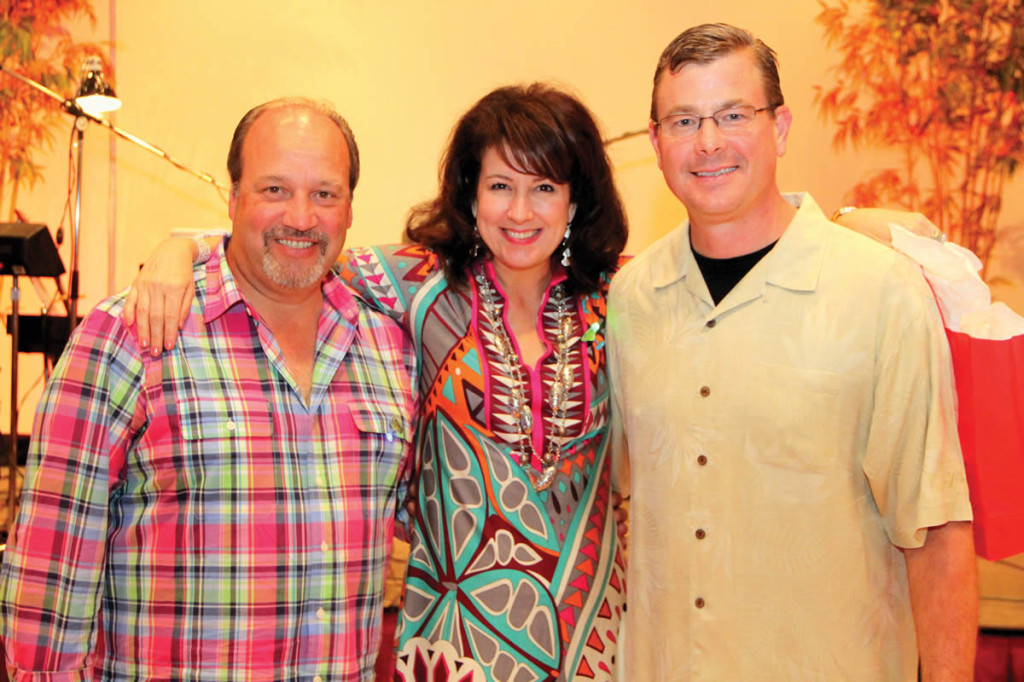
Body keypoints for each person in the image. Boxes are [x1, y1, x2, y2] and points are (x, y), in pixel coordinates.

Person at [121, 83, 629, 681]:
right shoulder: (417, 285)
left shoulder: (620, 300)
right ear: (470, 196)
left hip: (593, 637)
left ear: (574, 202)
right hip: (455, 641)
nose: (520, 212)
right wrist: (178, 248)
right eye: (500, 186)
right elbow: (292, 242)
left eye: (543, 188)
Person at [606, 23, 977, 681]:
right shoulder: (633, 299)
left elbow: (937, 527)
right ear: (658, 143)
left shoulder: (879, 291)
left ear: (779, 128)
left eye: (732, 115)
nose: (709, 141)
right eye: (684, 120)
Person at [0, 98, 418, 680]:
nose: (301, 216)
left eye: (325, 193)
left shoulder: (388, 348)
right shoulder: (131, 335)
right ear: (232, 197)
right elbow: (49, 576)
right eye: (274, 189)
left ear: (350, 208)